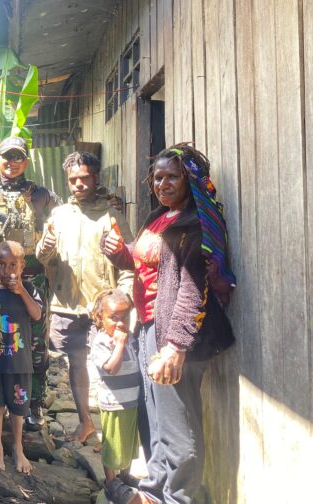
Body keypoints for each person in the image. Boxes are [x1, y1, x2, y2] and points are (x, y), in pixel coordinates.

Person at [102, 143, 236, 504]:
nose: (162, 184)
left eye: (171, 176)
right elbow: (142, 264)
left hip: (179, 336)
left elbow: (193, 288)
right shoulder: (159, 218)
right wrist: (117, 251)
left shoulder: (196, 226)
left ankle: (181, 497)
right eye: (157, 177)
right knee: (156, 418)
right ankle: (156, 490)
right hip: (150, 326)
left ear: (190, 179)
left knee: (178, 425)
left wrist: (175, 347)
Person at [36, 151, 133, 444]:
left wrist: (124, 297)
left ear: (96, 178)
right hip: (67, 305)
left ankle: (116, 431)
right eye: (73, 180)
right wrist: (46, 245)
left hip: (102, 308)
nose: (78, 185)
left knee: (108, 367)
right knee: (77, 364)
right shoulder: (59, 215)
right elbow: (43, 257)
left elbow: (129, 261)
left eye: (84, 178)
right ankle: (86, 422)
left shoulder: (111, 216)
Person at [0, 136, 60, 431]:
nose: (12, 162)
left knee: (36, 344)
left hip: (32, 278)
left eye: (18, 157)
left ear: (26, 161)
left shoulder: (43, 195)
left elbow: (56, 230)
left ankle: (33, 404)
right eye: (7, 156)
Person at [0, 241, 42, 474]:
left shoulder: (28, 287)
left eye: (12, 265)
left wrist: (21, 291)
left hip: (20, 361)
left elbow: (36, 314)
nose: (7, 271)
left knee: (18, 408)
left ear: (22, 265)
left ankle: (18, 447)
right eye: (1, 265)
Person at [90, 289, 142, 504]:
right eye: (113, 318)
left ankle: (124, 476)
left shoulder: (131, 338)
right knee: (112, 444)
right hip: (113, 403)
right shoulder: (102, 342)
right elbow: (111, 368)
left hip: (131, 401)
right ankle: (111, 482)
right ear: (100, 318)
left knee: (129, 443)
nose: (120, 323)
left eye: (125, 317)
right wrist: (119, 345)